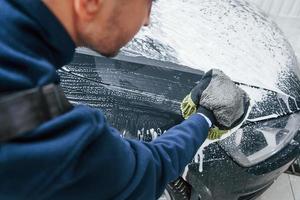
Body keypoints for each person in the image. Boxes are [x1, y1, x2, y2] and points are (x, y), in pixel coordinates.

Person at [0, 0, 249, 199]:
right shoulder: (42, 131)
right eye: (148, 3)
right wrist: (205, 116)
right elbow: (149, 169)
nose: (147, 20)